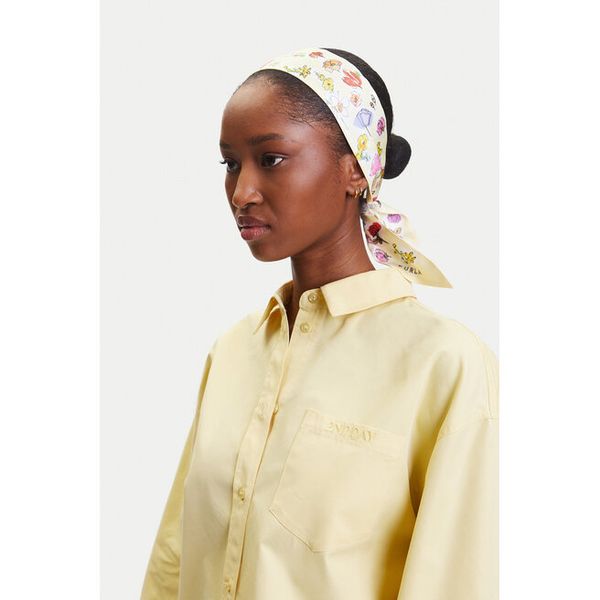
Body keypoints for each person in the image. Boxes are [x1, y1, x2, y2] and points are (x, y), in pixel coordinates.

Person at [140, 47, 498, 600]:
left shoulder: (444, 364)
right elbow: (175, 559)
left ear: (355, 168)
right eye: (230, 164)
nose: (242, 192)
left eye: (271, 159)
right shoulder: (233, 352)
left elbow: (454, 581)